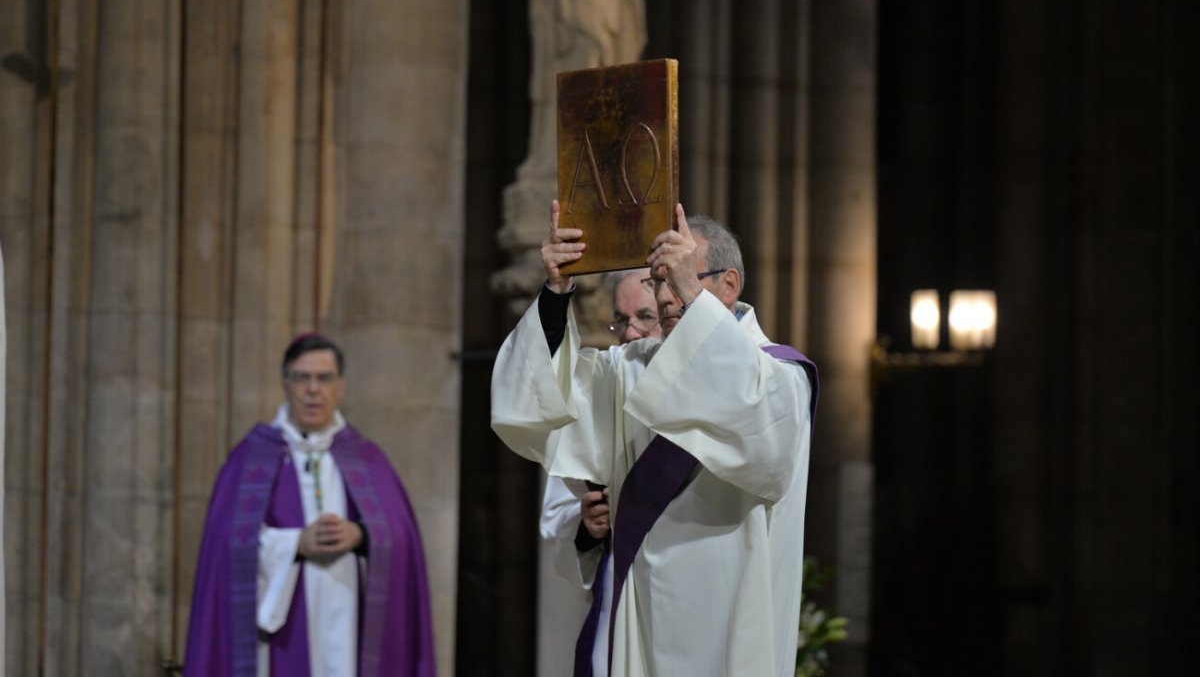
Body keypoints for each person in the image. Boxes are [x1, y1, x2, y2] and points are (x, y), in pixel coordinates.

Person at [492, 201, 818, 677]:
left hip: (728, 629)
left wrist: (690, 295)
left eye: (684, 274)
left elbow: (763, 448)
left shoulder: (780, 376)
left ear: (729, 285)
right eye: (661, 278)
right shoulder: (633, 369)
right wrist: (558, 290)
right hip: (639, 625)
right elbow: (540, 401)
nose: (666, 295)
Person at [185, 333, 436, 676]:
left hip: (350, 620)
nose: (313, 389)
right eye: (302, 378)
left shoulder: (368, 459)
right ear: (286, 384)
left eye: (324, 378)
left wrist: (361, 535)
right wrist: (296, 544)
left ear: (341, 386)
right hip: (278, 634)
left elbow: (403, 541)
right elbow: (224, 548)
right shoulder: (250, 458)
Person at [539, 268, 661, 676]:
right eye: (622, 321)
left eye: (645, 317)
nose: (630, 333)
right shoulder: (598, 395)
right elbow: (556, 515)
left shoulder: (717, 390)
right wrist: (587, 524)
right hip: (619, 600)